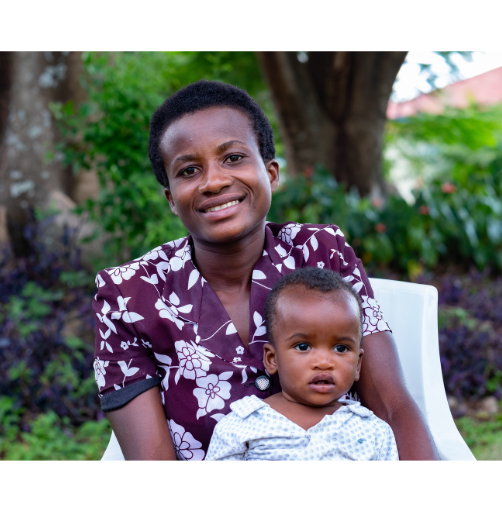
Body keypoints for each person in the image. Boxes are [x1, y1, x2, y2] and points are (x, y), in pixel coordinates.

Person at [93, 80, 438, 460]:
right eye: (189, 170)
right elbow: (153, 464)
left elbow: (391, 405)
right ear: (171, 199)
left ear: (271, 173)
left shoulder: (322, 252)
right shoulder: (129, 295)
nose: (214, 181)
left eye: (233, 158)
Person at [204, 267, 398, 460]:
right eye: (303, 346)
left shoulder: (373, 432)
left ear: (357, 365)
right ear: (272, 359)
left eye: (340, 348)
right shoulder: (242, 425)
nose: (324, 362)